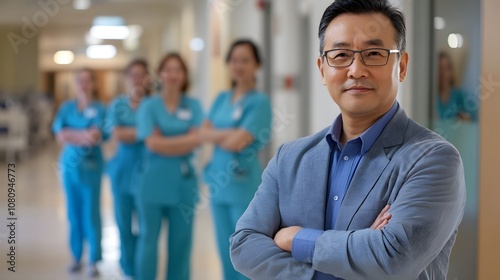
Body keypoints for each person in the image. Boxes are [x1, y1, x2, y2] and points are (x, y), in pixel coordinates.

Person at [229, 1, 466, 279]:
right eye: (341, 55)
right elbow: (244, 245)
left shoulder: (433, 160)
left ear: (401, 66)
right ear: (322, 69)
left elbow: (393, 258)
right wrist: (360, 252)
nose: (356, 70)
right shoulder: (290, 158)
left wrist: (296, 239)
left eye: (374, 53)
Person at [200, 39, 272, 280]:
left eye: (245, 60)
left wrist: (222, 135)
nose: (238, 65)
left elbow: (238, 142)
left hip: (243, 184)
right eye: (234, 60)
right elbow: (203, 132)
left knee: (245, 250)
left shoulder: (259, 102)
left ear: (256, 65)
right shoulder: (222, 98)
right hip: (218, 182)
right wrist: (231, 132)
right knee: (224, 249)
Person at [134, 53, 203, 280]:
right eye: (168, 69)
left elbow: (198, 139)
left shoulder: (193, 105)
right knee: (147, 241)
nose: (173, 75)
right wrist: (184, 139)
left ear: (184, 76)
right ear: (159, 74)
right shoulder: (149, 106)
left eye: (178, 70)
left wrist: (165, 140)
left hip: (183, 185)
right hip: (151, 183)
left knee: (181, 245)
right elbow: (151, 144)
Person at [52, 68, 108, 277]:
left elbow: (96, 136)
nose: (83, 85)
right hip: (69, 167)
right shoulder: (67, 108)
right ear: (75, 84)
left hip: (92, 166)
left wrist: (72, 134)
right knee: (73, 213)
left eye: (87, 81)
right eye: (79, 81)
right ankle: (76, 256)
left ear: (93, 84)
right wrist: (84, 134)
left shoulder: (100, 108)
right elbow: (60, 135)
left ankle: (93, 259)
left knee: (91, 213)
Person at [106, 58, 150, 279]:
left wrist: (129, 132)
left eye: (141, 74)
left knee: (146, 225)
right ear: (127, 78)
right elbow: (116, 133)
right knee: (123, 223)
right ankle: (128, 268)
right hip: (121, 170)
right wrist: (144, 132)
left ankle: (143, 269)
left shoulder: (154, 104)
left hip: (147, 171)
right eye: (133, 75)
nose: (137, 79)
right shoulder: (117, 105)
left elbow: (126, 133)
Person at [437, 51, 471, 121]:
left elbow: (469, 119)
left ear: (451, 71)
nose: (443, 72)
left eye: (446, 68)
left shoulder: (459, 95)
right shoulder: (430, 97)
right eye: (440, 68)